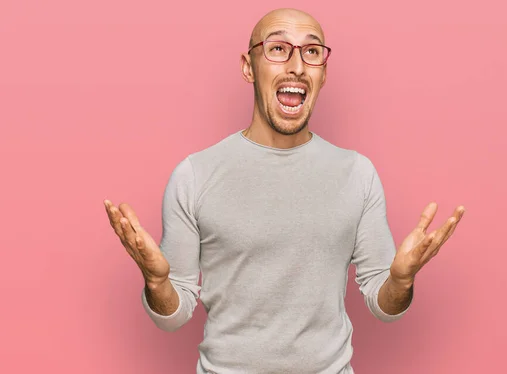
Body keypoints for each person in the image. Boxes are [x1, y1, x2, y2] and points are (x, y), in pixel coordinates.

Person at [104, 8, 465, 374]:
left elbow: (382, 303)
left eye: (311, 52)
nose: (297, 66)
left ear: (323, 74)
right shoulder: (194, 175)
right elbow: (173, 316)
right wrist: (157, 282)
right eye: (278, 48)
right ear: (248, 67)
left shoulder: (358, 174)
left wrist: (401, 281)